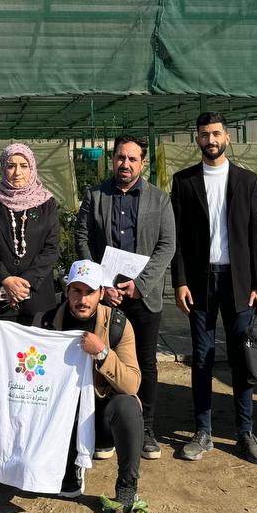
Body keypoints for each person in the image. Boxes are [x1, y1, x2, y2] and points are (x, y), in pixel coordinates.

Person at [170, 112, 257, 464]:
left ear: (227, 137)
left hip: (239, 280)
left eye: (215, 134)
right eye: (203, 134)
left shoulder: (246, 180)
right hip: (199, 281)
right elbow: (176, 238)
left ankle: (245, 432)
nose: (210, 140)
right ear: (196, 139)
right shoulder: (184, 182)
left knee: (242, 356)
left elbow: (256, 236)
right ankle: (203, 431)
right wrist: (179, 280)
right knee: (202, 357)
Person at [75, 135, 176, 460]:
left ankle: (145, 428)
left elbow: (166, 245)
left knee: (144, 363)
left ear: (142, 163)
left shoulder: (159, 199)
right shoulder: (95, 196)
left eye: (133, 159)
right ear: (112, 159)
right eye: (120, 157)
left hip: (141, 298)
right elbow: (82, 237)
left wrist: (141, 284)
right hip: (104, 299)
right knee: (101, 359)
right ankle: (104, 432)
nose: (125, 164)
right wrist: (100, 284)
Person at [42, 260, 143, 508]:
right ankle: (69, 462)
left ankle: (127, 485)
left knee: (127, 407)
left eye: (89, 292)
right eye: (76, 290)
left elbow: (132, 383)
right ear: (67, 291)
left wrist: (103, 353)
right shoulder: (46, 322)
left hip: (99, 418)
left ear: (101, 293)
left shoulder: (119, 325)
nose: (83, 299)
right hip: (59, 417)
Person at [0, 143, 61, 322]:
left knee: (35, 351)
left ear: (32, 168)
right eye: (11, 166)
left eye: (24, 165)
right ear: (3, 168)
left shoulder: (46, 203)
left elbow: (51, 248)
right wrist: (5, 279)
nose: (17, 172)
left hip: (37, 301)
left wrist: (24, 284)